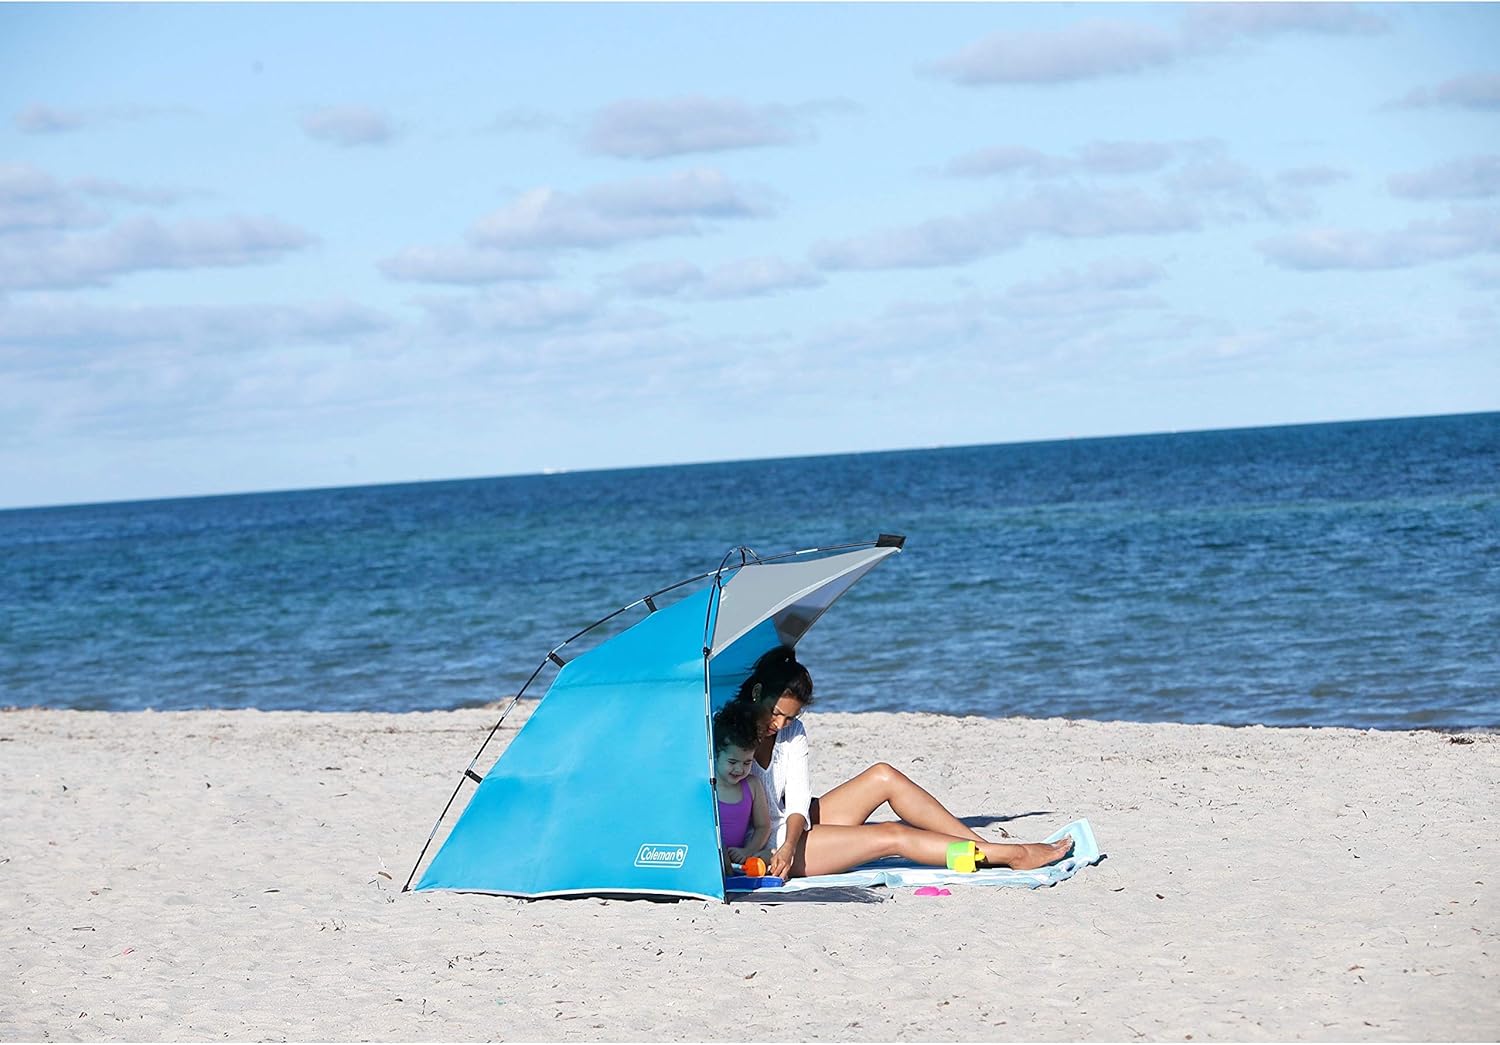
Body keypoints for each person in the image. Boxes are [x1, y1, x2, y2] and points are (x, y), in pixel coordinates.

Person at [735, 645, 1073, 879]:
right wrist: (783, 848)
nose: (780, 724)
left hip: (792, 826)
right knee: (891, 835)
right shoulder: (726, 735)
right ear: (757, 693)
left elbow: (797, 802)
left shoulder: (792, 731)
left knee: (883, 776)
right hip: (764, 844)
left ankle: (983, 849)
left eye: (790, 717)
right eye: (776, 713)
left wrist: (792, 841)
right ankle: (1012, 855)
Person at [710, 699, 773, 873]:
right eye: (732, 762)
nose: (739, 769)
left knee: (770, 855)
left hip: (739, 857)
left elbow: (763, 826)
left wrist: (748, 851)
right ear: (716, 754)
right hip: (710, 855)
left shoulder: (752, 785)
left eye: (747, 763)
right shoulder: (709, 786)